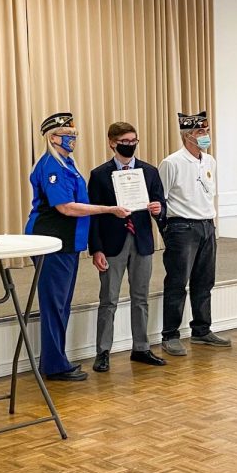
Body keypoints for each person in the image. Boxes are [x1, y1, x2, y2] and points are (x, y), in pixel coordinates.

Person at [25, 113, 130, 381]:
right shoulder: (52, 165)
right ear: (53, 137)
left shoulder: (66, 163)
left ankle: (55, 360)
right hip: (52, 242)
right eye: (67, 134)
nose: (72, 138)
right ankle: (54, 364)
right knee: (54, 304)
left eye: (74, 134)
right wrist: (109, 209)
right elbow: (66, 207)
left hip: (68, 243)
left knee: (62, 304)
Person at [88, 122, 168, 372]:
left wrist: (159, 209)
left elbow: (160, 206)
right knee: (108, 299)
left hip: (142, 241)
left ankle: (141, 348)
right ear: (112, 142)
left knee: (141, 297)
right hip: (112, 244)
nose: (130, 144)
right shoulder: (99, 174)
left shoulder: (149, 171)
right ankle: (102, 352)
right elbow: (93, 216)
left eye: (134, 140)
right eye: (125, 141)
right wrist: (96, 249)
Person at [158, 111, 231, 356]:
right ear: (188, 136)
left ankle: (201, 329)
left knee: (204, 280)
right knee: (178, 282)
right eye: (201, 132)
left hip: (207, 225)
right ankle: (170, 335)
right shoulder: (171, 163)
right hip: (182, 227)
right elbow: (160, 200)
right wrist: (167, 230)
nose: (205, 136)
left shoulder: (210, 161)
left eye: (206, 131)